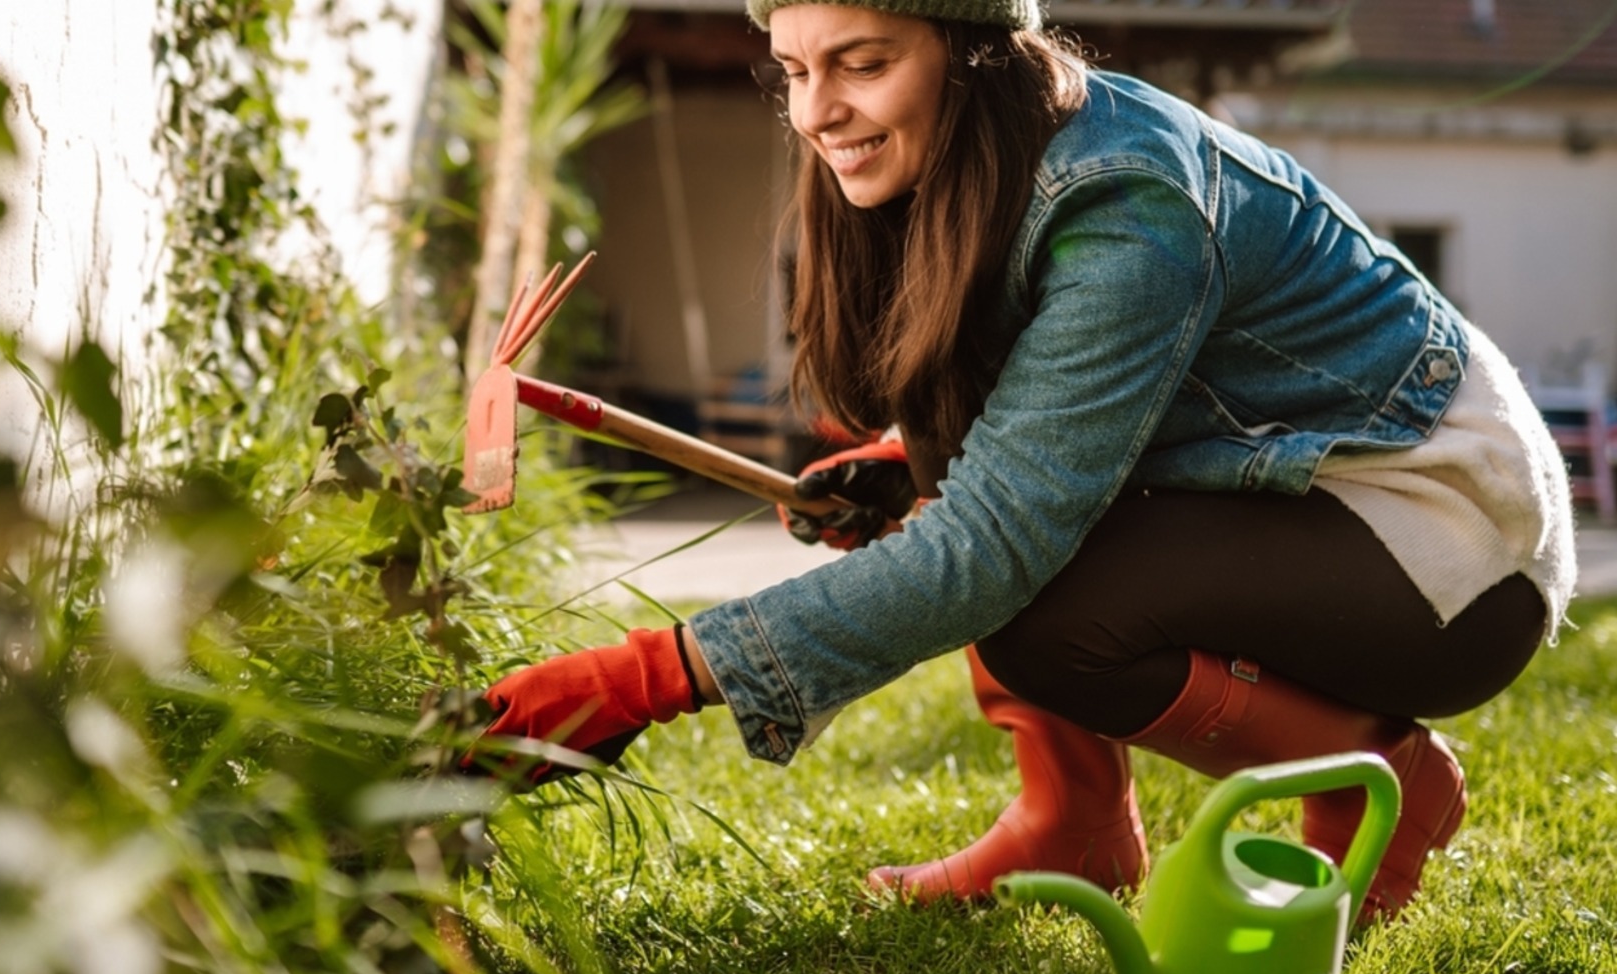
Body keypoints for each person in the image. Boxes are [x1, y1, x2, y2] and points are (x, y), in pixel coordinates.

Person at [461, 0, 1578, 919]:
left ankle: (1373, 776)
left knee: (1036, 609)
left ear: (973, 48)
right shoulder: (970, 166)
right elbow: (1041, 422)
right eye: (791, 69)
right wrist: (910, 458)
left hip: (1447, 542)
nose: (816, 111)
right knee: (960, 457)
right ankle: (1075, 829)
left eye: (860, 64)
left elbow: (993, 545)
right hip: (1304, 487)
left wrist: (636, 682)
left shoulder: (1126, 203)